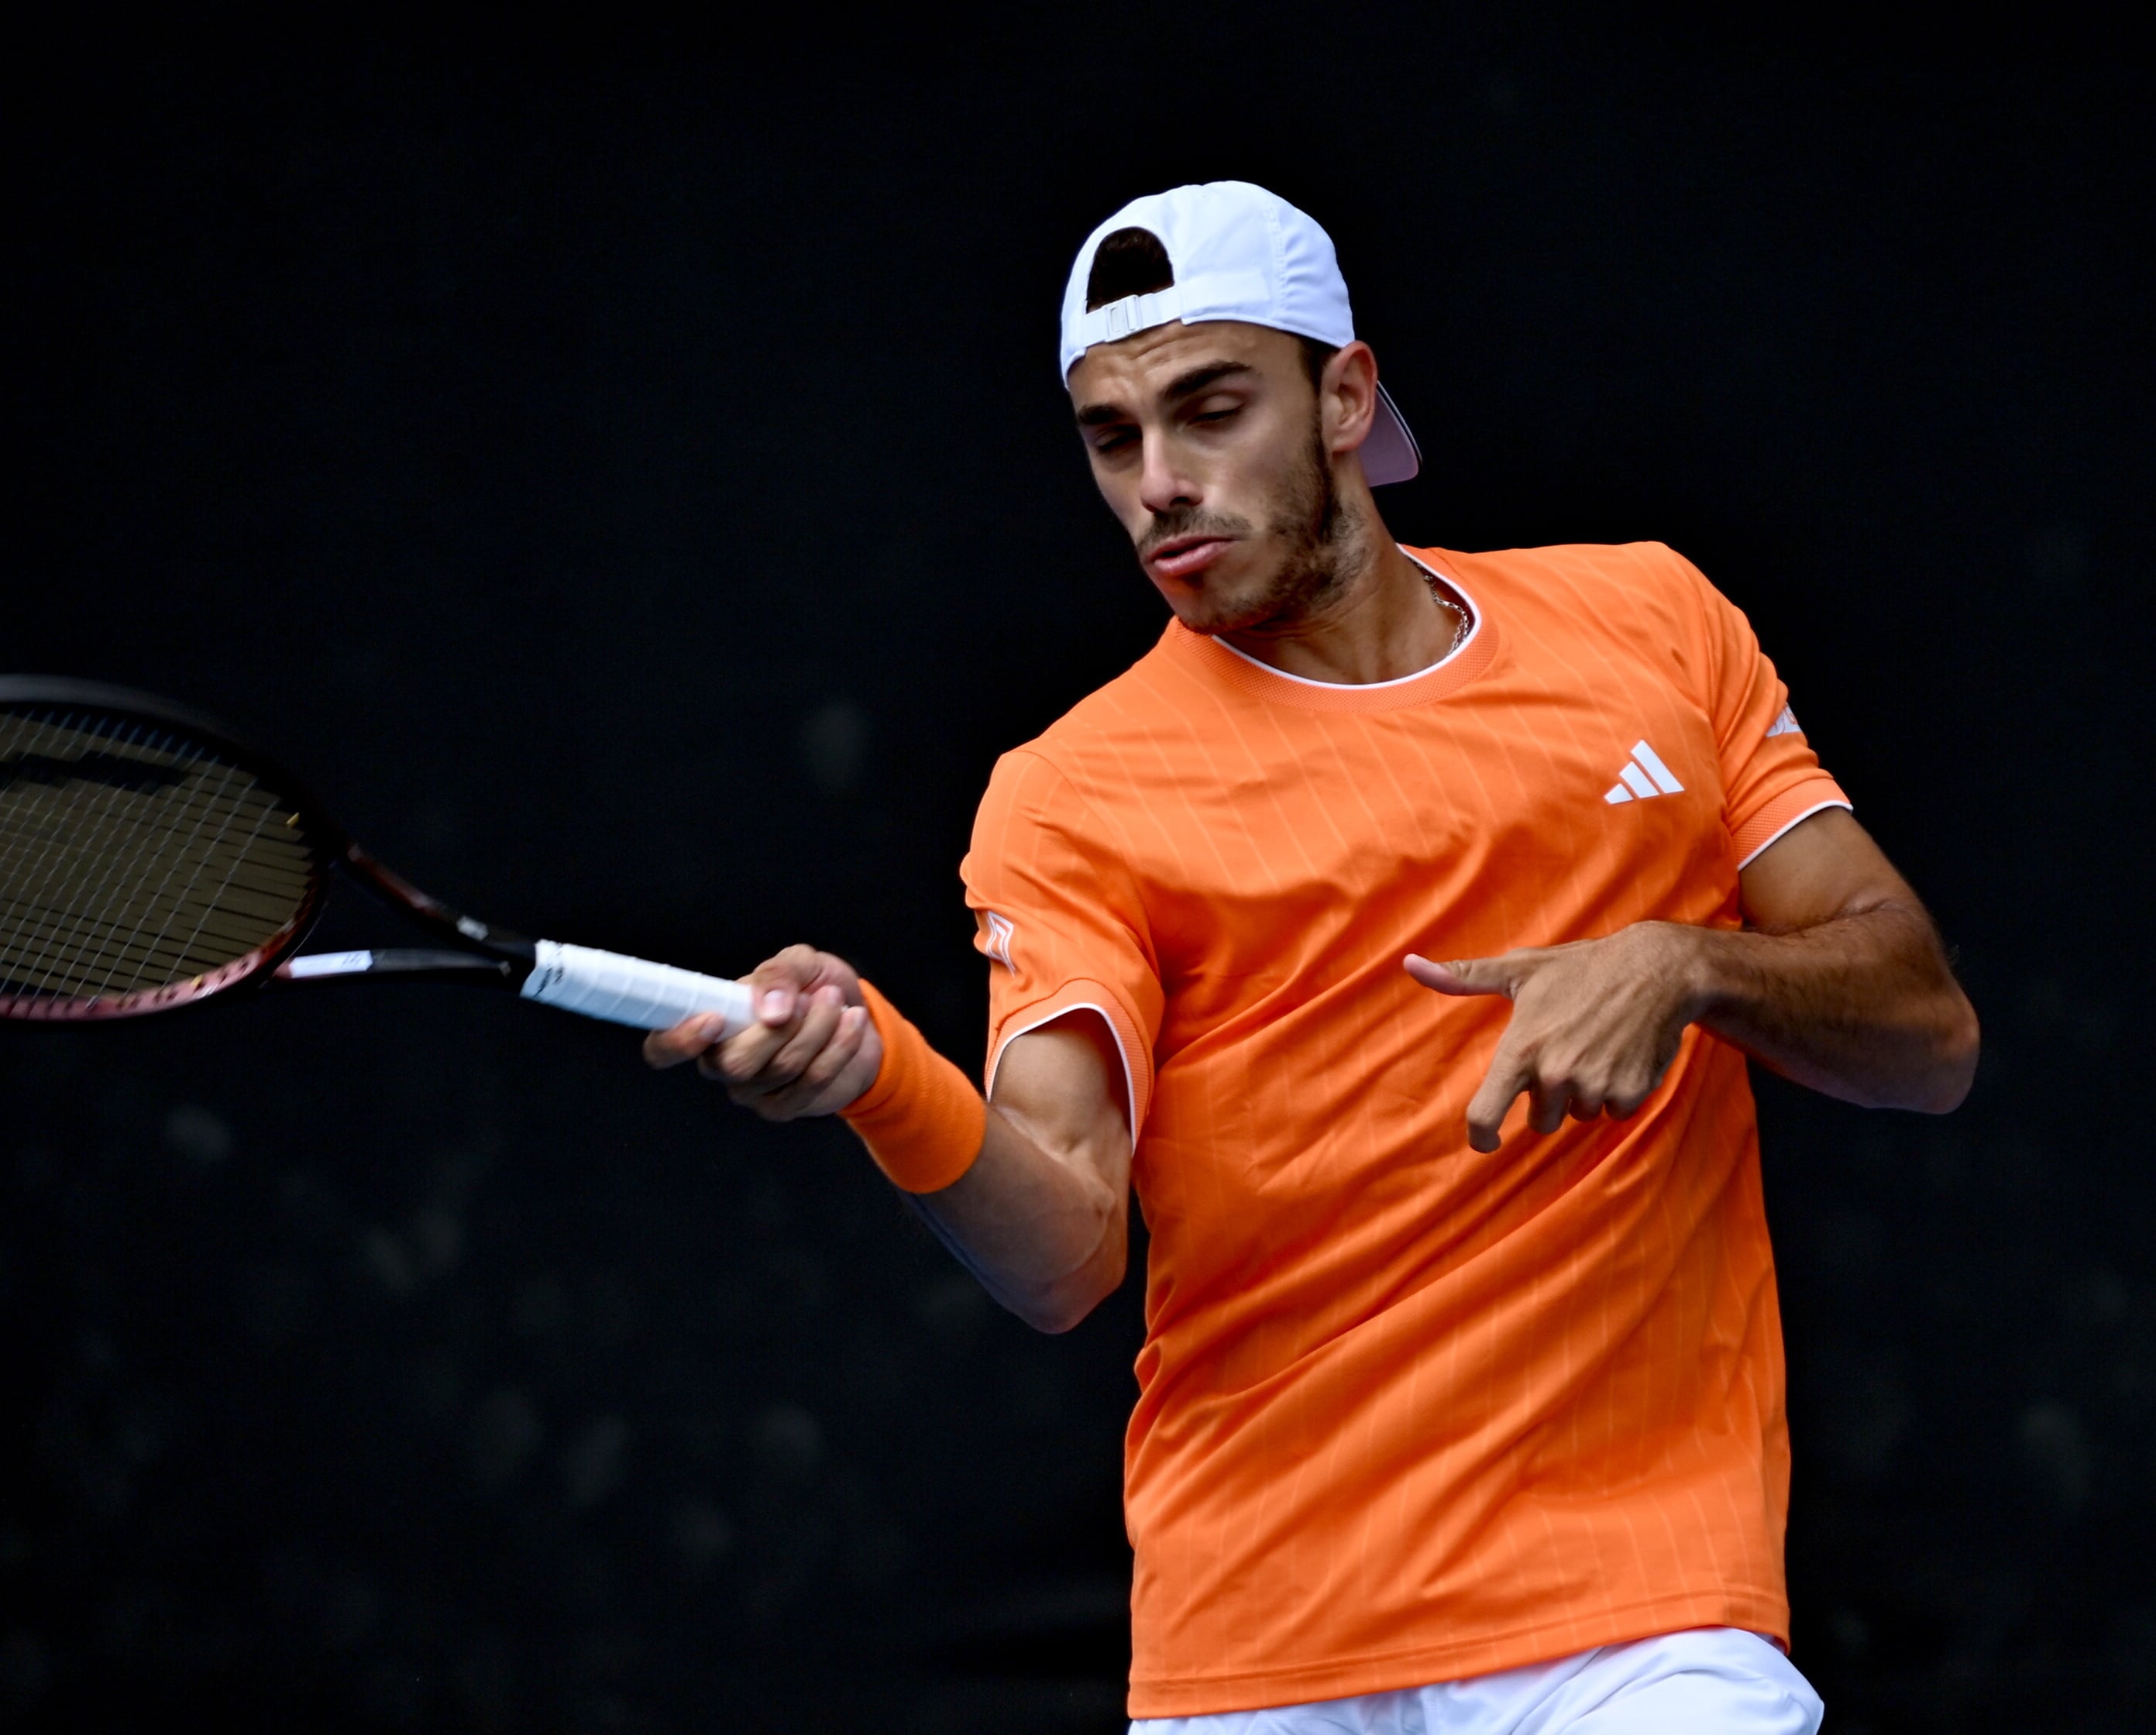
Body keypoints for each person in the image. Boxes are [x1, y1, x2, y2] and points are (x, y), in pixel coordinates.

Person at [644, 182, 1977, 1733]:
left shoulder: (1655, 625)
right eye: (1110, 436)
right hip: (1259, 1642)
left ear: (1345, 394)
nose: (1160, 485)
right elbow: (1068, 1251)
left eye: (1210, 411)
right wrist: (885, 1079)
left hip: (1646, 1618)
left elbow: (1926, 1031)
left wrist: (1689, 963)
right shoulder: (1075, 792)